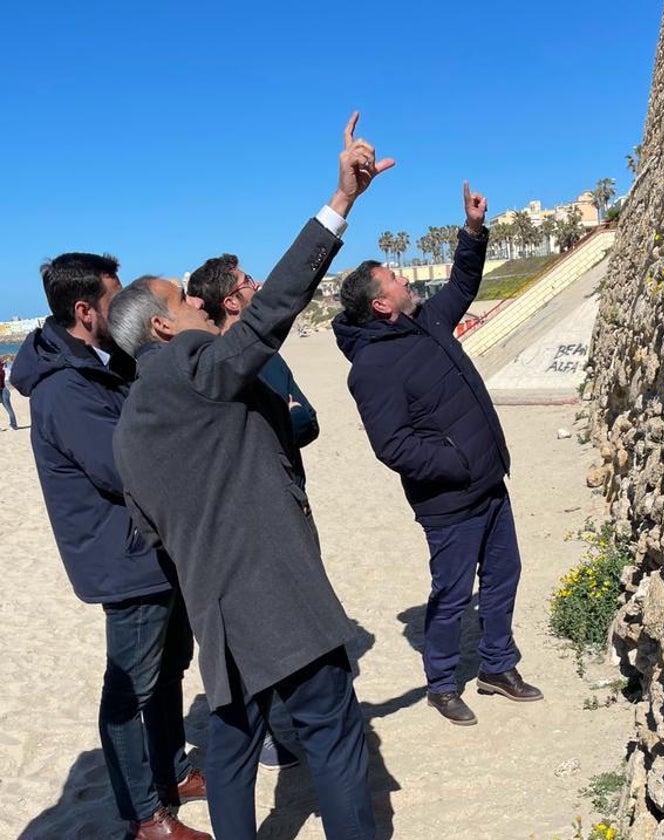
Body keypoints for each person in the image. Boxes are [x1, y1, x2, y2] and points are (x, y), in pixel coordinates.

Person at [108, 113, 391, 840]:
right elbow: (269, 314)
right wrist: (341, 202)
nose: (200, 301)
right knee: (332, 736)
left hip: (219, 622)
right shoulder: (193, 367)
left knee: (231, 754)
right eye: (185, 298)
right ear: (165, 328)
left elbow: (153, 534)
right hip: (280, 604)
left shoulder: (129, 430)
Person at [9, 255, 208, 840]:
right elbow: (121, 465)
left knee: (171, 667)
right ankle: (147, 819)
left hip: (156, 545)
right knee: (127, 691)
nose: (124, 311)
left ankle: (172, 773)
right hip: (124, 558)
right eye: (113, 300)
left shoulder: (104, 362)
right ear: (84, 310)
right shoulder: (63, 388)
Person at [332, 182, 543, 727]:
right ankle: (442, 683)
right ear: (381, 304)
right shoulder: (371, 368)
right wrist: (457, 463)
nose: (405, 280)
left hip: (490, 482)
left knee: (504, 576)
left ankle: (498, 665)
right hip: (450, 501)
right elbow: (393, 445)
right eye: (396, 279)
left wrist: (472, 231)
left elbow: (463, 285)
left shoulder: (426, 319)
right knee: (452, 594)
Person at [186, 252, 320, 770]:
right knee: (249, 632)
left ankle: (301, 715)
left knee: (300, 615)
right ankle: (258, 733)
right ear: (231, 299)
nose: (258, 282)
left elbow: (308, 420)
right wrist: (282, 420)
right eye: (247, 280)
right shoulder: (216, 363)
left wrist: (284, 421)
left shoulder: (272, 355)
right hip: (246, 518)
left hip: (294, 498)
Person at [1, 354, 19, 429]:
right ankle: (13, 425)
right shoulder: (3, 367)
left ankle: (13, 425)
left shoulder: (3, 368)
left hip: (4, 389)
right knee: (9, 408)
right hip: (4, 388)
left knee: (8, 408)